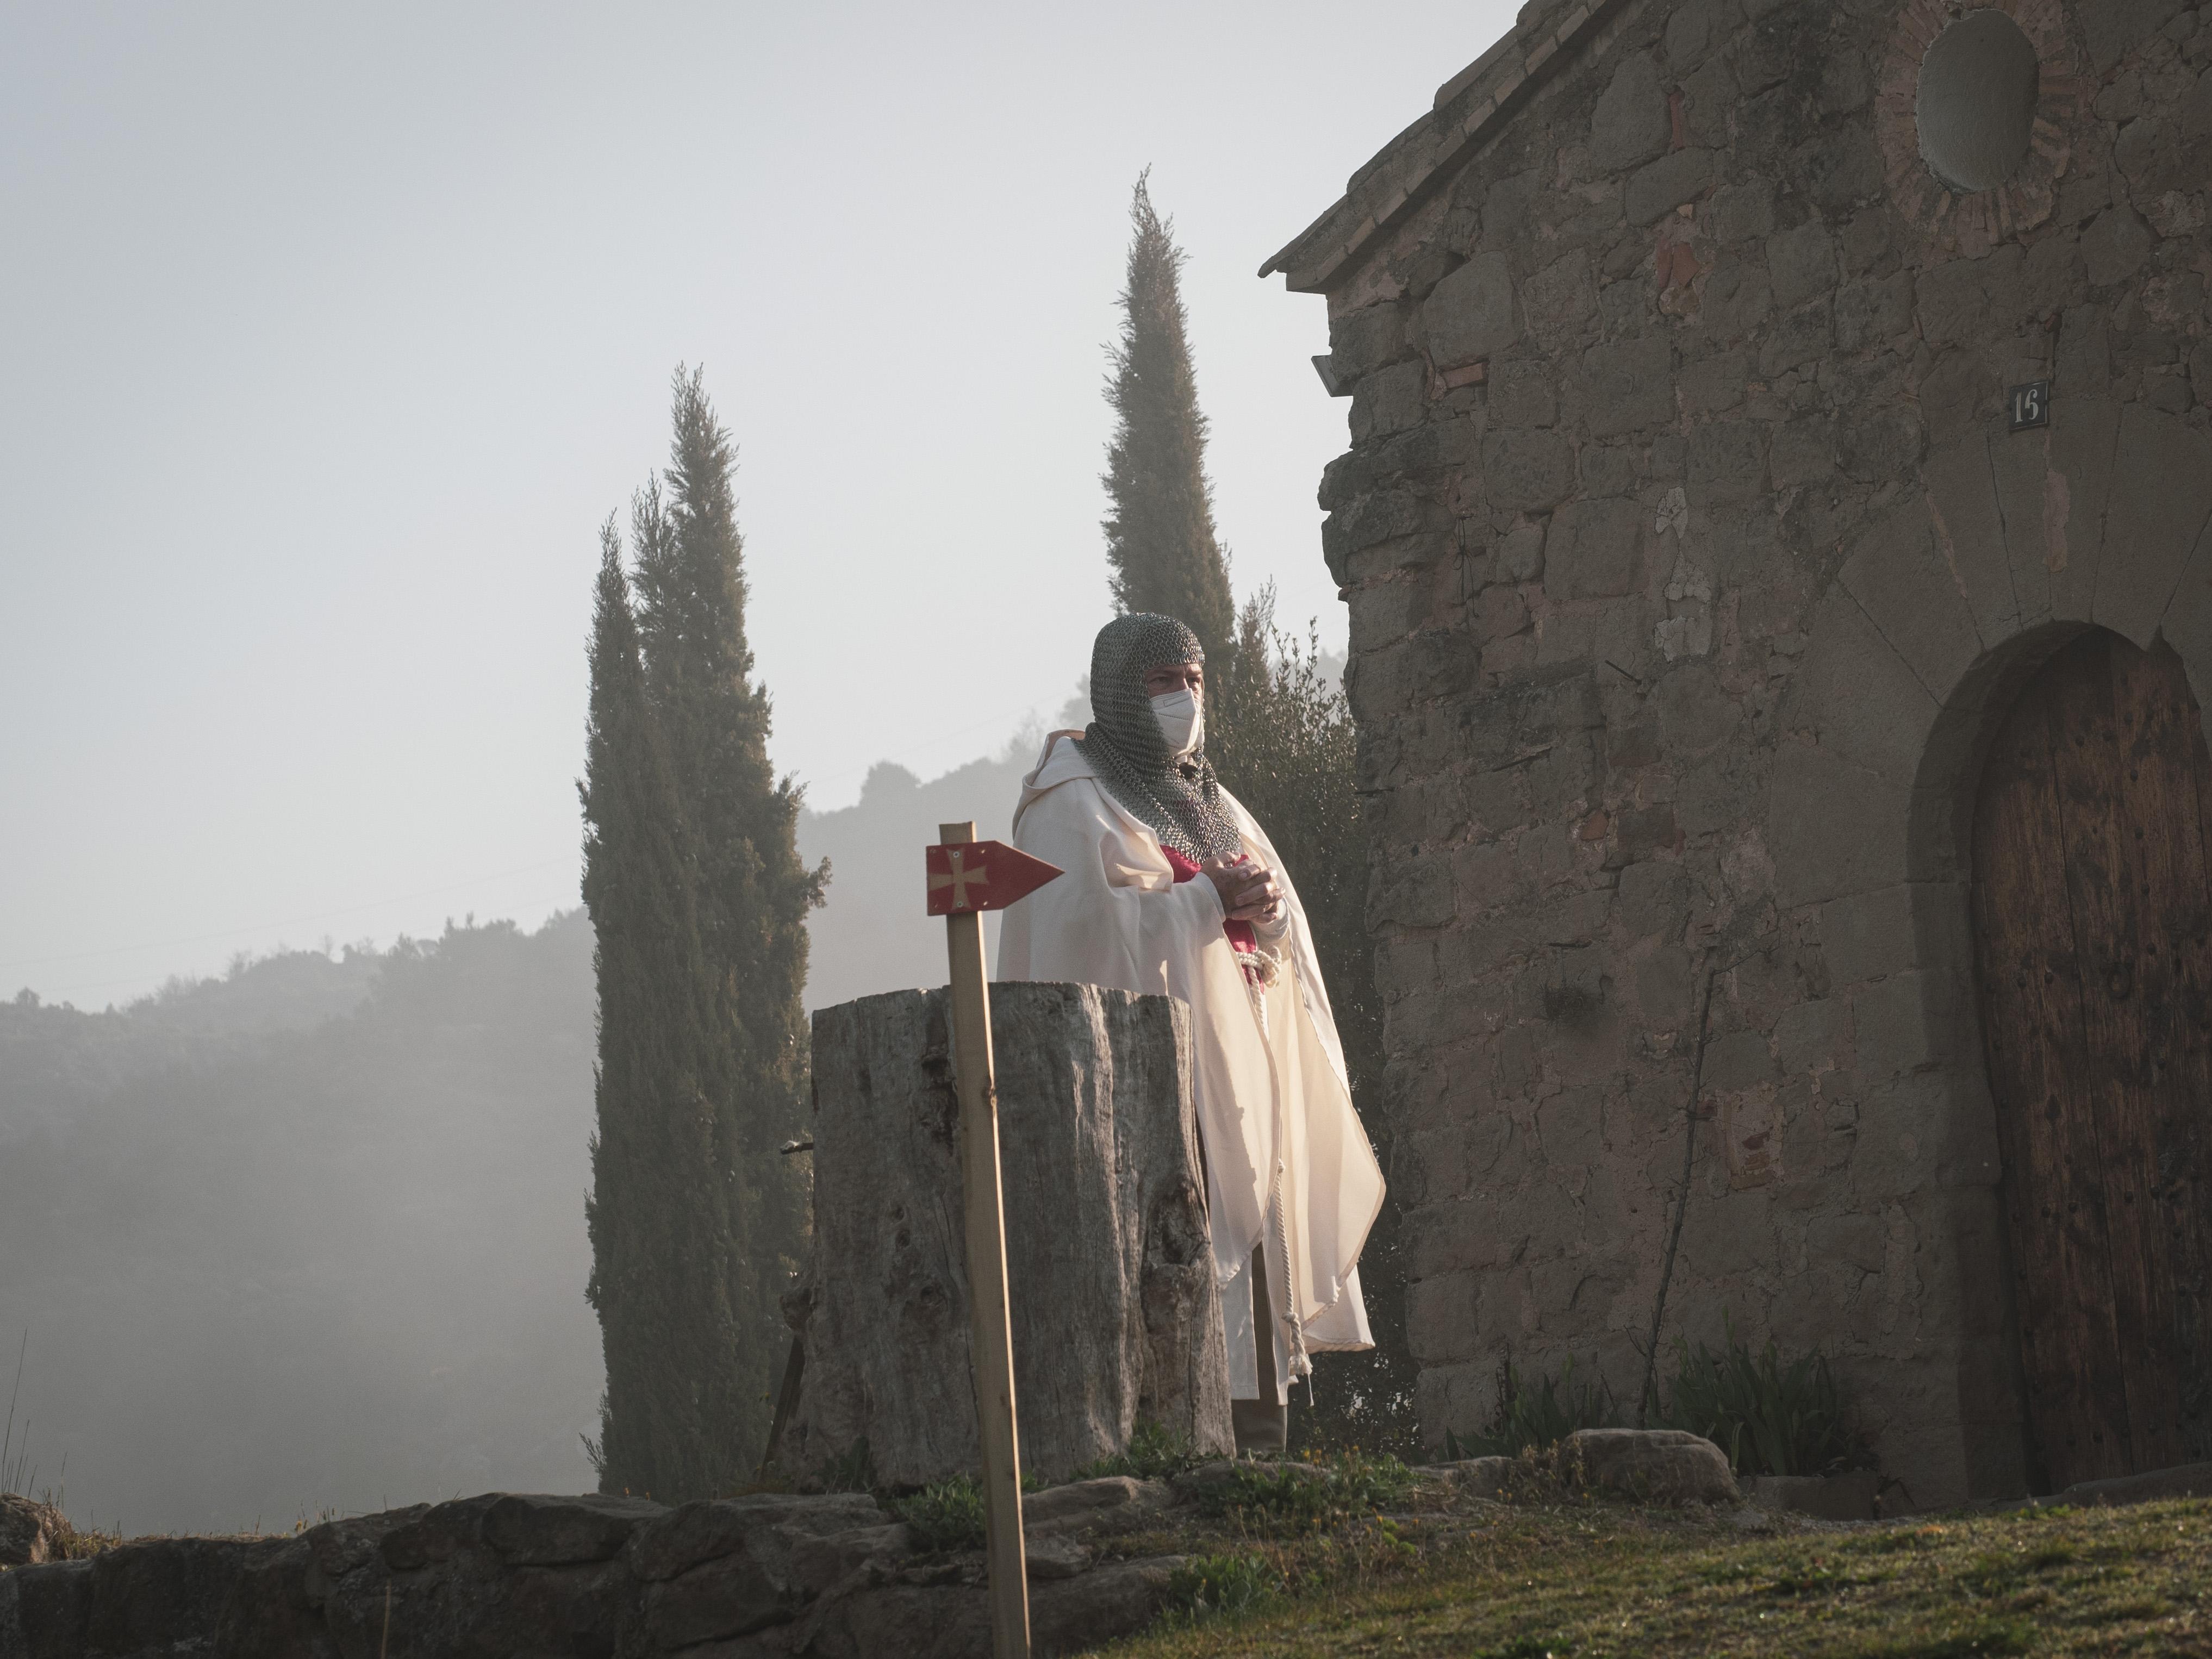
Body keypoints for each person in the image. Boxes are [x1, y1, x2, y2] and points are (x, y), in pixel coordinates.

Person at [996, 612, 1384, 1453]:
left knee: (1252, 1242)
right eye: (1162, 683)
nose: (1183, 699)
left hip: (1244, 1067)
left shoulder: (1213, 802)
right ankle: (1184, 1444)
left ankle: (1261, 1440)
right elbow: (1073, 943)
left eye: (1194, 681)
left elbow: (1276, 928)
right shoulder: (1072, 803)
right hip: (1154, 1089)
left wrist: (1265, 914)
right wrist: (1205, 903)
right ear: (1116, 694)